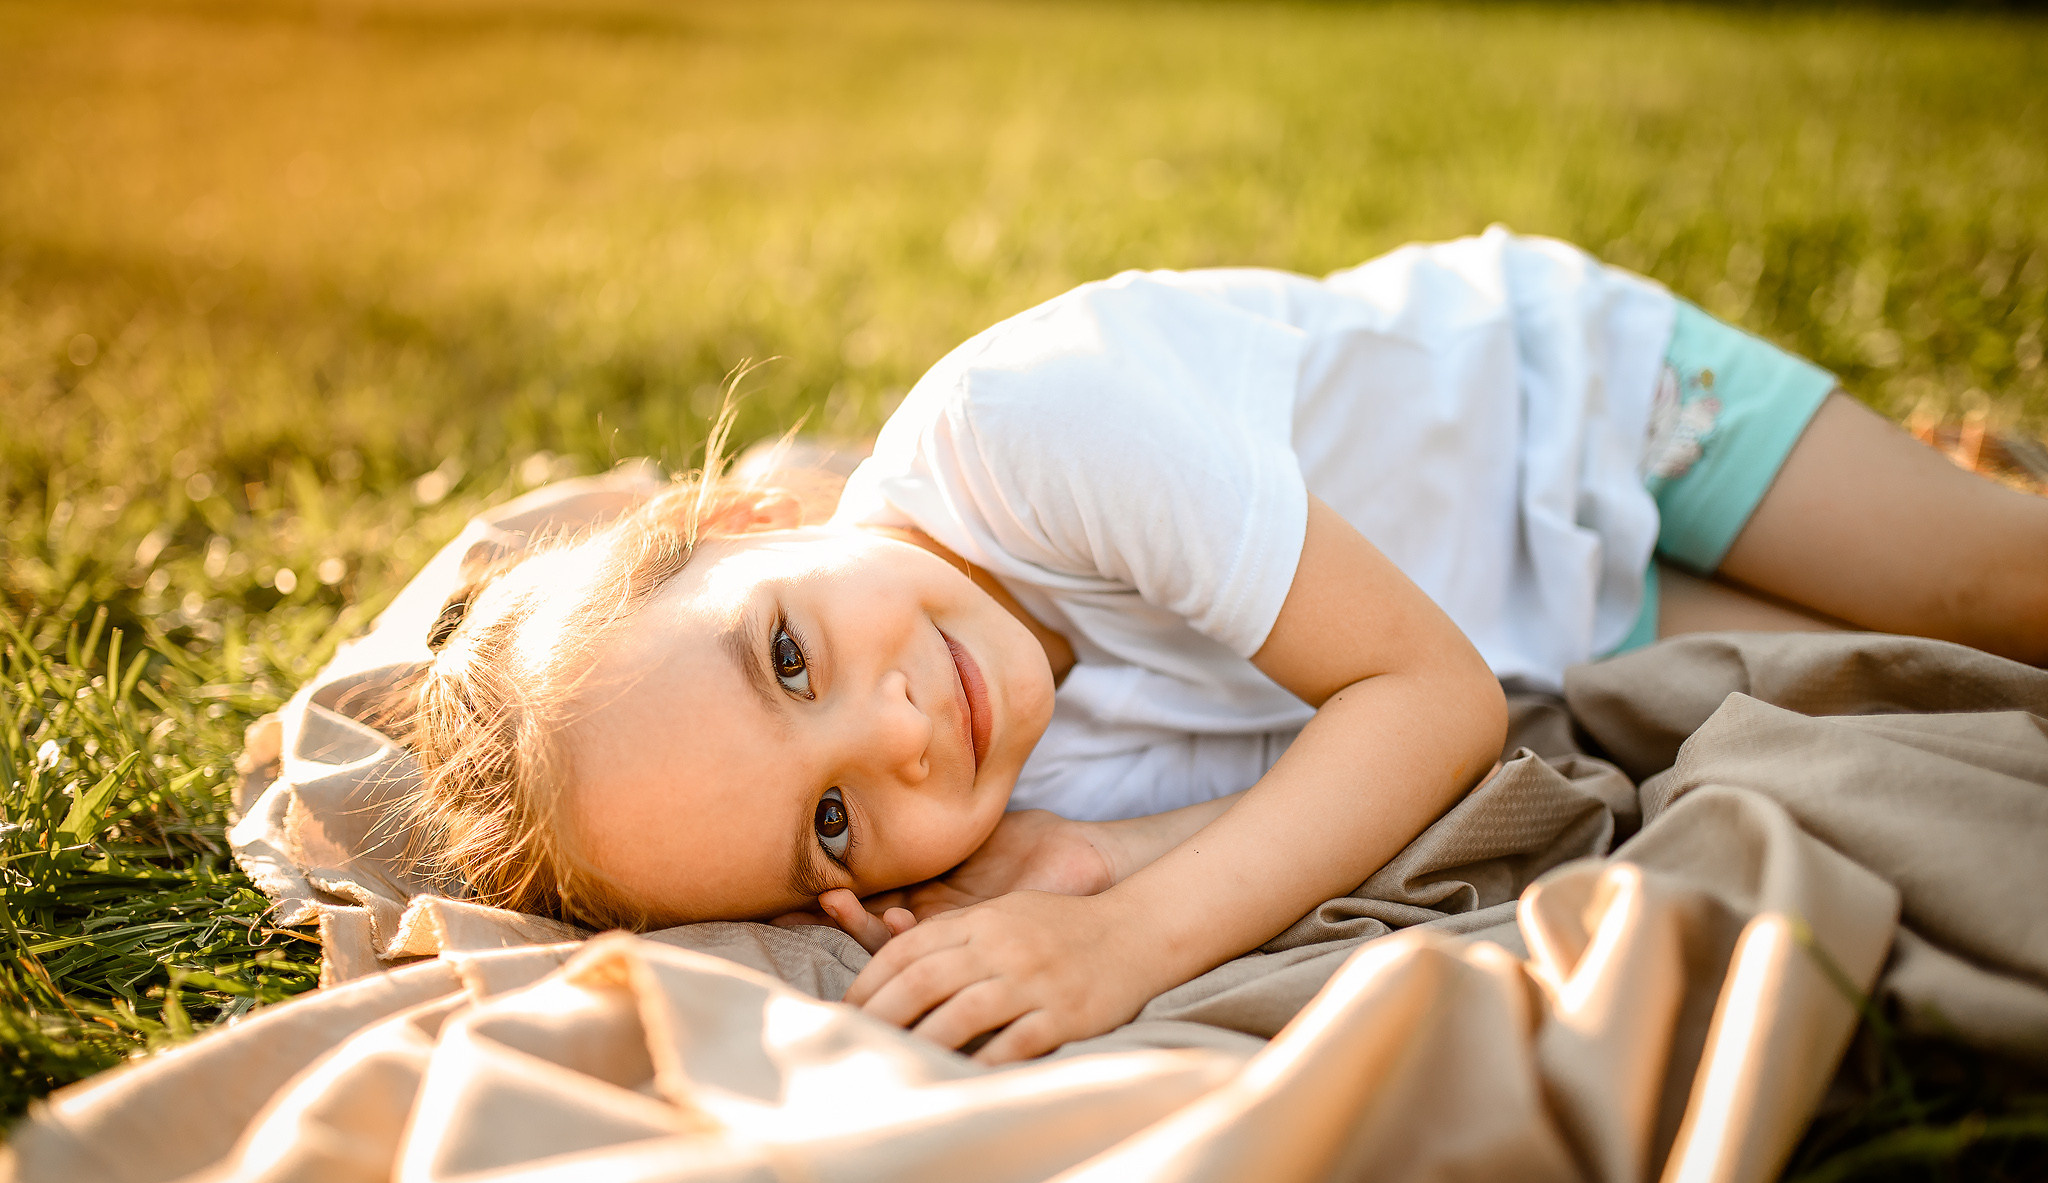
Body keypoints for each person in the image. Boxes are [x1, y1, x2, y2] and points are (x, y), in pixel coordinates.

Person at [408, 227, 2048, 1064]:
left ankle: (1928, 495)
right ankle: (1897, 484)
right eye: (830, 819)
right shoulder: (998, 786)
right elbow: (1373, 775)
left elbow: (1429, 704)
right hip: (1566, 621)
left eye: (785, 658)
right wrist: (1085, 863)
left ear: (761, 522)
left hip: (1588, 428)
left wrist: (1134, 939)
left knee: (1994, 596)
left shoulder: (1033, 426)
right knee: (1899, 672)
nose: (898, 729)